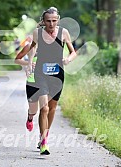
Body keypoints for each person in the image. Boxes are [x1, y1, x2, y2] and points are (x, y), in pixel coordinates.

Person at [20, 7, 77, 155]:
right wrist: (29, 63)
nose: (51, 24)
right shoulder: (38, 33)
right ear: (43, 21)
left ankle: (43, 135)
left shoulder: (63, 32)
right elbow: (32, 48)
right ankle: (44, 142)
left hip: (57, 76)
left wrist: (68, 60)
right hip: (41, 74)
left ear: (58, 20)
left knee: (52, 109)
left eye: (54, 21)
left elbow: (73, 52)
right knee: (44, 108)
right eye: (48, 21)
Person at [15, 36, 38, 132]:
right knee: (34, 111)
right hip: (32, 81)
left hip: (46, 80)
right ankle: (30, 117)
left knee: (45, 109)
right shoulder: (29, 46)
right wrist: (28, 63)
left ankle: (43, 138)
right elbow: (17, 60)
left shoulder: (51, 48)